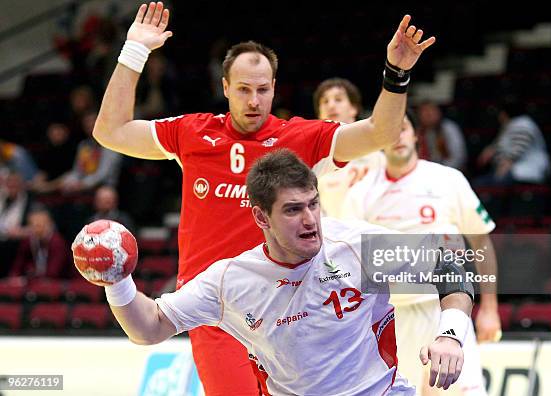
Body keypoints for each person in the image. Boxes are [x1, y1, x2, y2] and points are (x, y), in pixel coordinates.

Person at [91, 2, 436, 394]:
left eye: (262, 89)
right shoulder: (192, 133)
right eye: (242, 90)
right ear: (224, 88)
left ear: (275, 87)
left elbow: (380, 133)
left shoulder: (301, 137)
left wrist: (397, 74)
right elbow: (111, 131)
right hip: (218, 309)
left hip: (293, 307)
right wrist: (134, 50)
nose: (253, 101)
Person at [86, 149, 474, 395]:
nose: (310, 221)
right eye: (292, 210)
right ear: (260, 216)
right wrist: (117, 282)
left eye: (313, 205)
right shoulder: (233, 280)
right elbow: (149, 327)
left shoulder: (356, 245)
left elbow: (453, 264)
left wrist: (451, 334)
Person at [342, 114, 500, 396]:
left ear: (415, 135)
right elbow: (349, 261)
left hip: (446, 308)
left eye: (403, 129)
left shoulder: (448, 179)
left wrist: (489, 308)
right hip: (390, 316)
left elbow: (481, 241)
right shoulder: (359, 194)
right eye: (391, 131)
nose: (398, 137)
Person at [313, 78, 386, 217]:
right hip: (332, 236)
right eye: (325, 102)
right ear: (319, 115)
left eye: (338, 99)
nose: (331, 106)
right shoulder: (314, 163)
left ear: (353, 109)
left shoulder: (377, 158)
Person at [475, 97, 550, 186]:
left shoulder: (522, 124)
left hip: (524, 171)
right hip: (512, 170)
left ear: (504, 113)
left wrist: (506, 164)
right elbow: (501, 145)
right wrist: (491, 149)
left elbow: (518, 148)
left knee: (480, 185)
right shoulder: (510, 125)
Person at [10, 206, 71, 279]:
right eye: (34, 225)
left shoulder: (57, 243)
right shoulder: (28, 242)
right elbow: (16, 269)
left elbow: (52, 274)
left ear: (51, 225)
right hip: (37, 284)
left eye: (42, 225)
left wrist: (31, 274)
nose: (38, 230)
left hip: (64, 285)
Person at [416, 101, 467, 170]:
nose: (428, 114)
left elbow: (458, 156)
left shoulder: (449, 128)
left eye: (431, 110)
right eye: (424, 111)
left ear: (438, 112)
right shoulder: (417, 132)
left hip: (449, 169)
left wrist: (441, 171)